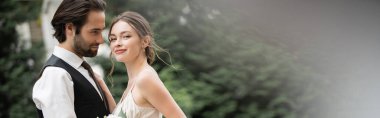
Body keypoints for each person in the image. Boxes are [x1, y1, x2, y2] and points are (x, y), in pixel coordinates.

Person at [32, 0, 116, 117]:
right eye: (94, 32)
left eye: (101, 31)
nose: (101, 40)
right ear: (70, 28)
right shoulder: (56, 75)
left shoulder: (79, 69)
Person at [107, 11, 186, 118]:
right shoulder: (134, 81)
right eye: (113, 39)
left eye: (125, 36)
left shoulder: (145, 79)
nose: (117, 43)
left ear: (145, 41)